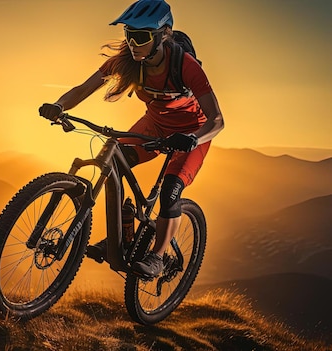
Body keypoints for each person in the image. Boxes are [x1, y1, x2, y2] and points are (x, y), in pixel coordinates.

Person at [38, 0, 224, 279]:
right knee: (111, 163)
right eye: (128, 34)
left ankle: (157, 257)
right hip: (154, 126)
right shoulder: (126, 62)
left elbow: (217, 120)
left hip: (191, 133)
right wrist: (59, 106)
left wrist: (193, 140)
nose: (133, 43)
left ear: (163, 35)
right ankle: (122, 238)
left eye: (141, 36)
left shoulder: (184, 66)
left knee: (170, 191)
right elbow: (82, 89)